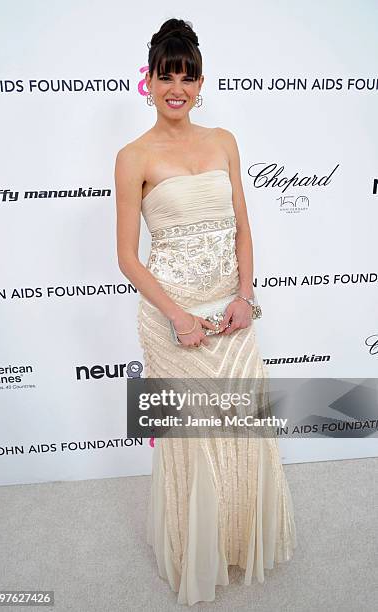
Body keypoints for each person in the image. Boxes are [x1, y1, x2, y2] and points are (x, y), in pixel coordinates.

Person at [114, 17, 296, 606]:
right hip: (172, 318)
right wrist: (176, 316)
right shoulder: (132, 155)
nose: (177, 88)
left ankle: (238, 544)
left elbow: (244, 229)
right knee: (194, 438)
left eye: (187, 77)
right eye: (167, 76)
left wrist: (246, 297)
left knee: (244, 428)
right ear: (149, 82)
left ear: (199, 82)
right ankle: (200, 551)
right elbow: (126, 258)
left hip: (230, 311)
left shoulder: (223, 141)